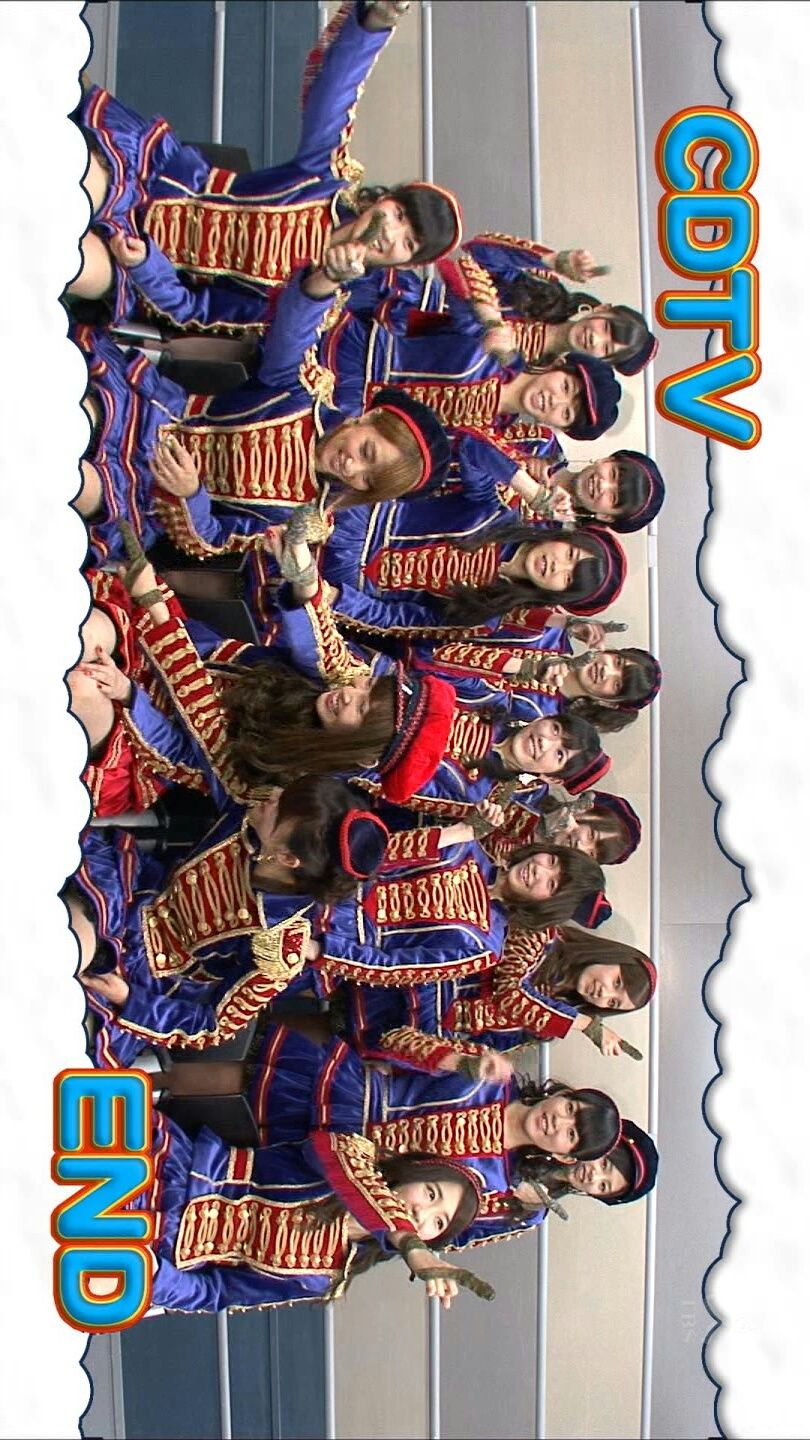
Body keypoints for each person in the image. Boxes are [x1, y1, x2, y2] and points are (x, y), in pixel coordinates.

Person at [72, 1, 462, 320]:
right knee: (76, 176)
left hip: (140, 266)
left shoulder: (319, 299)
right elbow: (334, 97)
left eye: (408, 242)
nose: (390, 233)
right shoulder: (322, 182)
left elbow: (195, 309)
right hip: (151, 180)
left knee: (70, 264)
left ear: (405, 263)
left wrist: (144, 265)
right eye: (399, 214)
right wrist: (377, 22)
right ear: (385, 198)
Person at [249, 1024, 623, 1251]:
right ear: (563, 1094)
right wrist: (456, 1060)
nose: (557, 1122)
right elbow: (392, 1039)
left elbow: (429, 1228)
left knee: (237, 1170)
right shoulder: (493, 1075)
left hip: (339, 1177)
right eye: (569, 1108)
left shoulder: (494, 1186)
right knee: (227, 1083)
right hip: (337, 1094)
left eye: (570, 1134)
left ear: (566, 1156)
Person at [140, 1113, 489, 1314]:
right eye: (430, 1193)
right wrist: (407, 1241)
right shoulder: (352, 1154)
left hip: (153, 1245)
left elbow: (217, 1293)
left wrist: (155, 1277)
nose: (421, 1213)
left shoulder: (326, 1276)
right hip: (165, 1166)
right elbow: (332, 1158)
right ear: (415, 1172)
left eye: (438, 1223)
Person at [330, 922, 656, 1072]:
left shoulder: (551, 1024)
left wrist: (463, 1061)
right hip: (404, 973)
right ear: (611, 956)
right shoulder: (543, 933)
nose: (604, 993)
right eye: (616, 982)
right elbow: (509, 991)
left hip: (404, 1032)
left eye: (613, 1002)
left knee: (332, 1043)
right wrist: (585, 1025)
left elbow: (490, 1044)